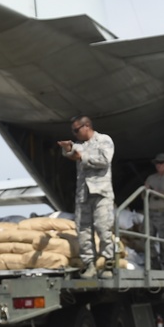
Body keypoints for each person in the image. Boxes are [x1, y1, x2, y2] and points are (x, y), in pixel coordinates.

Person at [57, 115, 115, 279]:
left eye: (76, 130)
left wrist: (82, 157)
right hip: (83, 194)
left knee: (103, 228)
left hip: (101, 193)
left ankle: (108, 263)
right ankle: (89, 264)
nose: (75, 134)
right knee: (82, 230)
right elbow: (70, 154)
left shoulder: (104, 140)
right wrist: (68, 148)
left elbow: (104, 160)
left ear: (86, 126)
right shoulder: (80, 146)